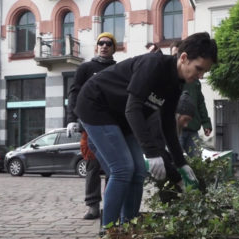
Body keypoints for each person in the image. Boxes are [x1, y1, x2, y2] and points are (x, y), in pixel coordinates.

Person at [74, 32, 217, 233]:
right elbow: (133, 108)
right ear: (183, 58)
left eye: (204, 72)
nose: (200, 76)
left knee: (138, 170)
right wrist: (151, 152)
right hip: (95, 105)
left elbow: (167, 123)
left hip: (121, 118)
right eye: (199, 69)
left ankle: (129, 227)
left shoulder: (177, 83)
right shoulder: (153, 64)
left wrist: (181, 163)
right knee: (123, 168)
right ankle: (108, 232)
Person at [66, 32, 117, 220]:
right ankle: (93, 205)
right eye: (101, 43)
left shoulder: (118, 69)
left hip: (112, 124)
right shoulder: (85, 68)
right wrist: (72, 117)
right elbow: (74, 93)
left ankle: (112, 203)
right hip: (90, 124)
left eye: (108, 43)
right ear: (97, 46)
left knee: (114, 167)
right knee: (93, 166)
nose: (104, 46)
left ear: (113, 47)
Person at [171, 41, 213, 158]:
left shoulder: (195, 81)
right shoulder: (171, 78)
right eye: (174, 55)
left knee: (196, 159)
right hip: (175, 128)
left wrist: (206, 122)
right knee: (176, 158)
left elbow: (200, 102)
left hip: (193, 128)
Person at [147, 91, 195, 191]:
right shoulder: (158, 120)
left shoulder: (167, 120)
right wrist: (179, 181)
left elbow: (170, 150)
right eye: (185, 119)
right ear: (177, 114)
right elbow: (160, 153)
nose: (186, 125)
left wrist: (182, 164)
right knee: (126, 170)